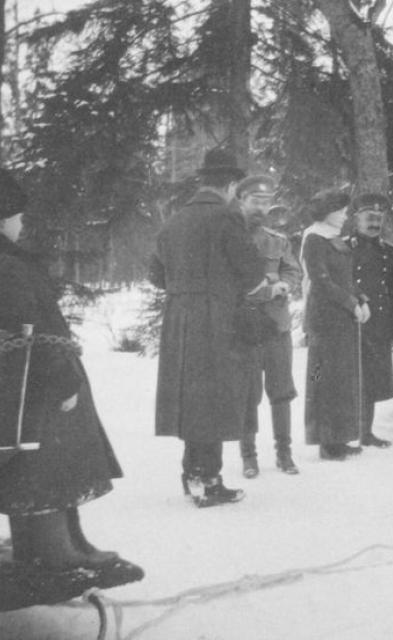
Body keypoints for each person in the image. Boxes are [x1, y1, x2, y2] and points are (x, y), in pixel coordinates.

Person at [0, 168, 128, 568]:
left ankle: (72, 542)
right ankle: (52, 552)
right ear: (2, 218)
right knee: (43, 470)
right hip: (35, 387)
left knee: (54, 469)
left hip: (19, 385)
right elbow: (30, 330)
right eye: (18, 217)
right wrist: (62, 379)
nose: (22, 225)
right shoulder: (2, 264)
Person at [149, 149, 265, 507]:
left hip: (179, 316)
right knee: (214, 397)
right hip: (216, 316)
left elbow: (155, 273)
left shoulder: (175, 219)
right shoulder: (227, 218)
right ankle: (208, 479)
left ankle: (192, 474)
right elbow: (252, 272)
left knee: (191, 397)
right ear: (231, 185)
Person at [235, 175, 302, 478]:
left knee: (282, 391)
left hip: (276, 326)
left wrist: (285, 284)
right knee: (248, 394)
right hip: (244, 327)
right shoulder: (230, 238)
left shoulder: (277, 240)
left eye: (265, 202)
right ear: (241, 201)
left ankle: (284, 453)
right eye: (254, 201)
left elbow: (292, 270)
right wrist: (266, 289)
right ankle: (248, 456)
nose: (260, 208)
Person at [302, 188, 370, 460]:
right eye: (340, 211)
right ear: (328, 212)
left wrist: (361, 299)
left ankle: (340, 437)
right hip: (323, 320)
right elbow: (321, 280)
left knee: (342, 379)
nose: (345, 216)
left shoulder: (336, 239)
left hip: (342, 320)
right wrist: (350, 302)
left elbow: (345, 277)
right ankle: (325, 440)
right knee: (320, 377)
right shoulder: (314, 238)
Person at [348, 193, 393, 448]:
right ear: (355, 219)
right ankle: (345, 432)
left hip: (379, 322)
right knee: (348, 376)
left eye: (378, 218)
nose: (374, 223)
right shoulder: (343, 247)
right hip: (351, 320)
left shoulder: (389, 252)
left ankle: (366, 432)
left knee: (371, 378)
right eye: (368, 217)